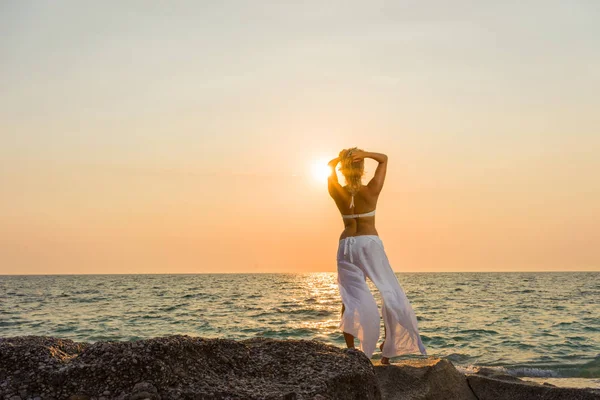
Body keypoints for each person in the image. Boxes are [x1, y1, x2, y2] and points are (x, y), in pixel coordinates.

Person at [327, 148, 427, 364]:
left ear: (343, 170)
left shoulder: (337, 191)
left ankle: (352, 351)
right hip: (368, 243)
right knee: (389, 292)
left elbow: (329, 168)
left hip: (346, 245)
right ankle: (387, 350)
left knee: (350, 297)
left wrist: (338, 160)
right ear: (362, 168)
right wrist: (365, 154)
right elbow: (384, 160)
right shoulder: (371, 189)